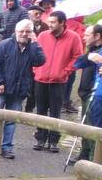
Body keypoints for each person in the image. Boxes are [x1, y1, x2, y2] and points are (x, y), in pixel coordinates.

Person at [0, 19, 44, 160]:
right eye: (21, 31)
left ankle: (6, 147)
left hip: (19, 89)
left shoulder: (31, 48)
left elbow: (40, 61)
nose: (24, 34)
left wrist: (35, 43)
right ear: (16, 31)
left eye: (28, 31)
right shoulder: (4, 45)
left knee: (11, 120)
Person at [32, 10, 83, 153]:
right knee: (41, 110)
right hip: (41, 79)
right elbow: (34, 52)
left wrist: (65, 71)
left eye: (53, 22)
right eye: (49, 21)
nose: (50, 24)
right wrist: (36, 69)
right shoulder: (42, 36)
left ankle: (54, 141)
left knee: (55, 111)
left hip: (59, 81)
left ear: (62, 23)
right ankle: (40, 138)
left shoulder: (73, 37)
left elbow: (77, 57)